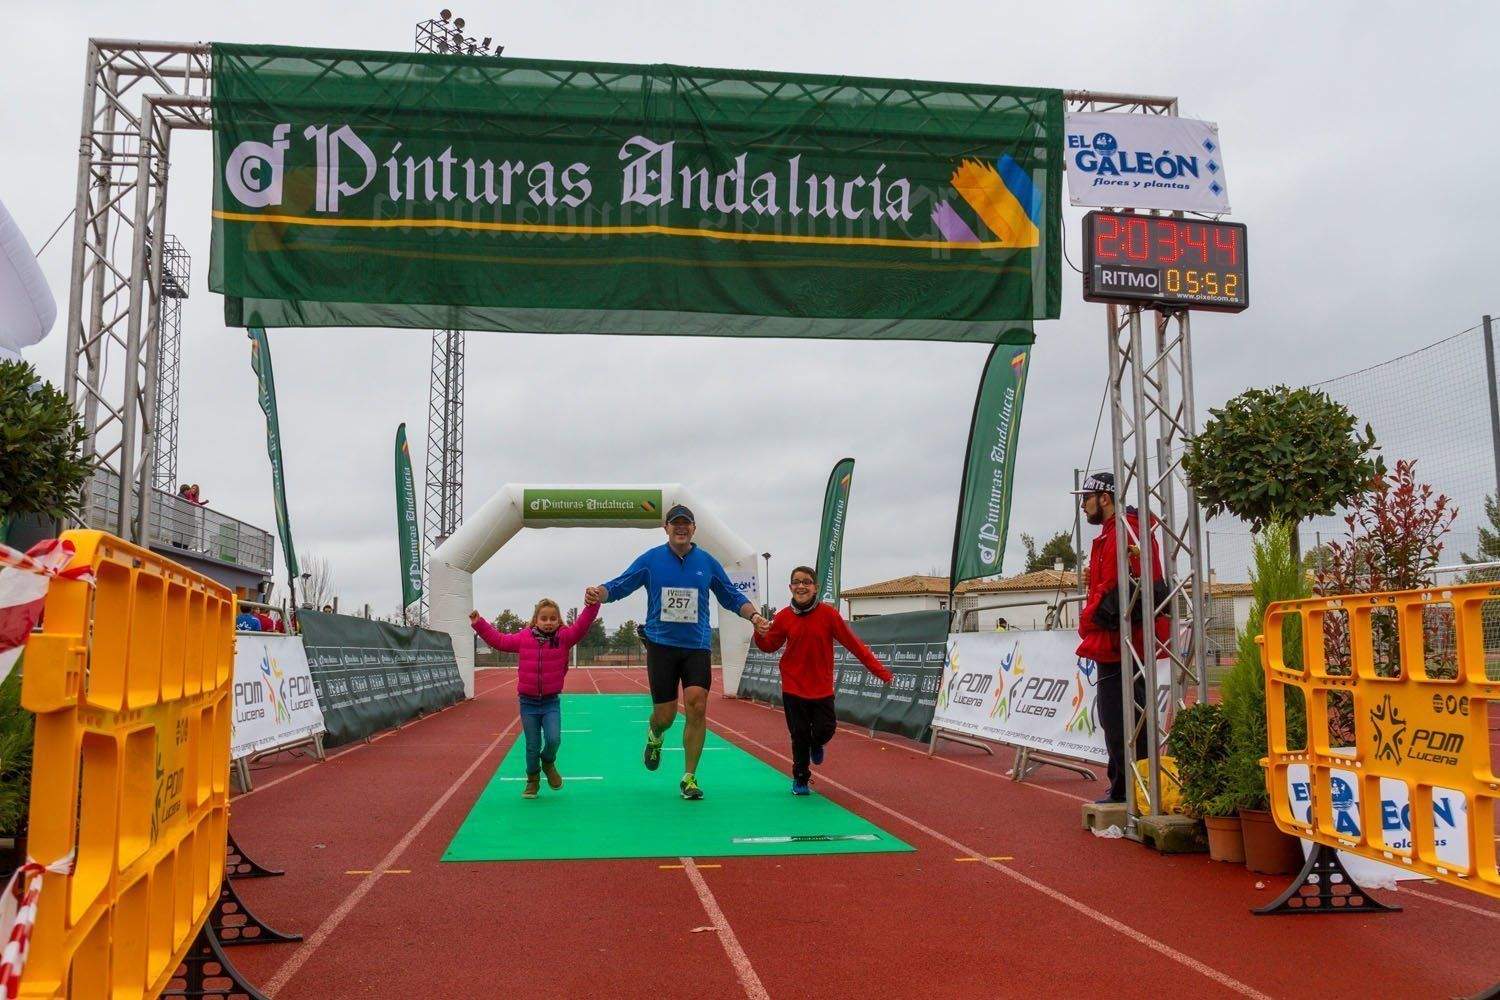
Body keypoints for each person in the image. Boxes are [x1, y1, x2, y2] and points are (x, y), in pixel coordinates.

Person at [586, 504, 769, 800]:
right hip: (662, 647)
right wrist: (600, 593)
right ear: (666, 528)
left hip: (696, 646)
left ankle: (689, 777)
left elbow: (731, 595)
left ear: (694, 529)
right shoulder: (652, 560)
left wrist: (754, 616)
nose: (681, 528)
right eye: (675, 524)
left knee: (697, 704)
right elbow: (622, 584)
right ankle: (655, 736)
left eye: (686, 524)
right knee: (665, 716)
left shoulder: (707, 562)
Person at [1073, 471, 1170, 805]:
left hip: (1124, 641)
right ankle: (1124, 786)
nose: (1082, 506)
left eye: (1085, 498)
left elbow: (1132, 587)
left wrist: (1090, 617)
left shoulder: (1126, 532)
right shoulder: (1111, 534)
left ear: (1104, 498)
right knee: (1114, 716)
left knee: (1123, 718)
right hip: (1115, 641)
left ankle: (1130, 790)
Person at [754, 566, 892, 795]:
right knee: (799, 735)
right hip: (793, 686)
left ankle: (817, 744)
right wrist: (759, 633)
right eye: (796, 582)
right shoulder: (784, 617)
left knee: (826, 729)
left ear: (815, 587)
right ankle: (800, 779)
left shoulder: (829, 616)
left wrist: (882, 673)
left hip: (821, 688)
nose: (801, 586)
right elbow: (770, 646)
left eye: (806, 582)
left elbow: (855, 645)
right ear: (790, 588)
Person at [470, 597, 601, 798]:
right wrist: (480, 624)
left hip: (550, 702)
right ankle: (532, 780)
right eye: (544, 618)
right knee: (532, 745)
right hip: (528, 703)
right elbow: (500, 641)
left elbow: (582, 625)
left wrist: (593, 604)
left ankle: (548, 761)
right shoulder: (524, 638)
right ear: (535, 620)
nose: (548, 622)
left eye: (553, 618)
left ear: (558, 621)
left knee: (553, 739)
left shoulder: (564, 638)